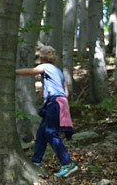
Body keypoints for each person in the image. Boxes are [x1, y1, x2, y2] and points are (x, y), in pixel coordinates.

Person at [15, 45, 79, 178]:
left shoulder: (46, 67)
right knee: (41, 133)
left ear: (42, 57)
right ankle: (36, 161)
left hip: (54, 103)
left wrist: (13, 71)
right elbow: (66, 92)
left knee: (50, 133)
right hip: (59, 102)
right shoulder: (58, 71)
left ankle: (67, 163)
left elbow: (30, 71)